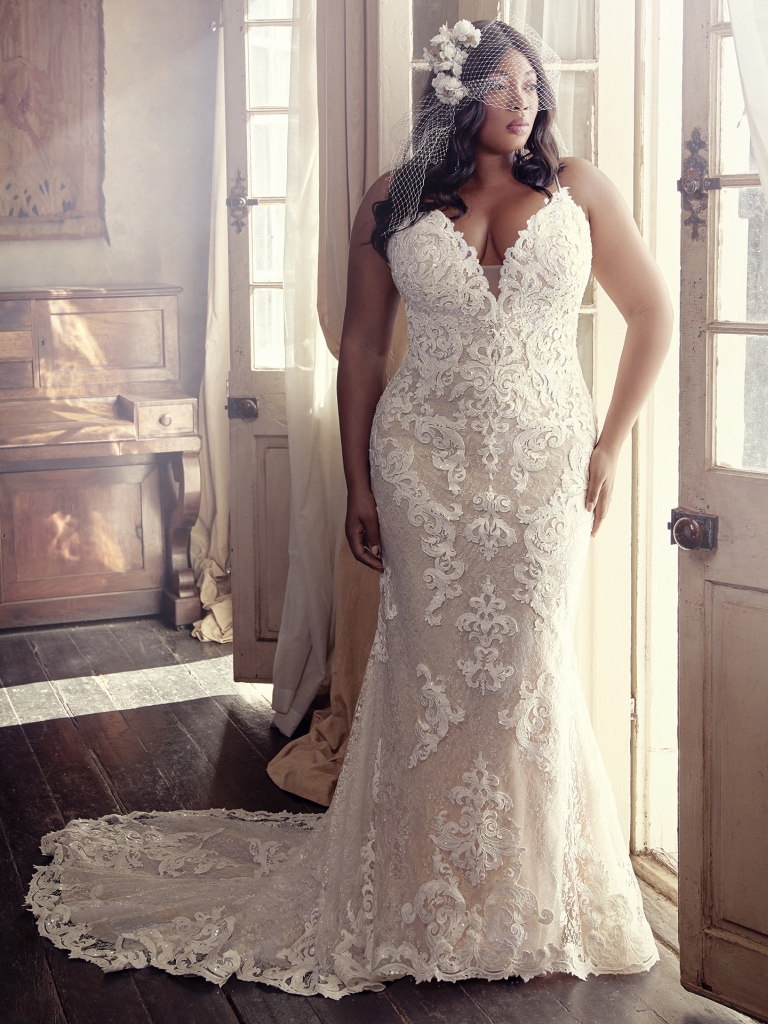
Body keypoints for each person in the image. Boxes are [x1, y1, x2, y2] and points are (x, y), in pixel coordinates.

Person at [27, 18, 671, 997]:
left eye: (531, 86)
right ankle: (417, 888)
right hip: (425, 465)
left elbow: (654, 315)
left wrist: (609, 441)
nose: (525, 102)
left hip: (543, 465)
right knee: (430, 667)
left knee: (528, 667)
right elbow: (363, 351)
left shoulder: (578, 187)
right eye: (503, 87)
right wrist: (364, 483)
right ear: (459, 98)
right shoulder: (395, 197)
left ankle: (527, 891)